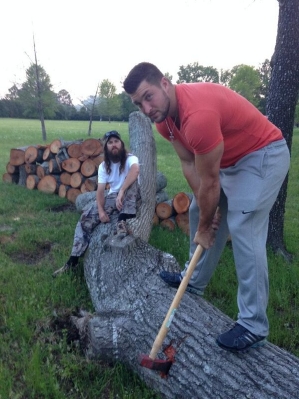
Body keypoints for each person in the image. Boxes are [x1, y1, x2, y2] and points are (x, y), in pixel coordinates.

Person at [123, 62, 290, 353]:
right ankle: (194, 281)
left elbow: (211, 181)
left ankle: (253, 324)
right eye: (139, 103)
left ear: (164, 83)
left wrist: (205, 231)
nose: (147, 109)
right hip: (228, 159)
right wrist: (205, 216)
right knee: (199, 210)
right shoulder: (164, 121)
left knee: (243, 226)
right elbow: (190, 165)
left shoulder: (197, 115)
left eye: (148, 97)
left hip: (263, 155)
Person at [53, 130, 140, 277]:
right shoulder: (103, 166)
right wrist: (100, 211)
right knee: (84, 219)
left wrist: (122, 190)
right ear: (106, 147)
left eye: (116, 141)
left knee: (132, 185)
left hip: (132, 194)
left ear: (121, 143)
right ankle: (72, 262)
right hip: (113, 196)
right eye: (110, 143)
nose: (114, 145)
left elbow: (135, 170)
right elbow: (100, 191)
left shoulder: (131, 158)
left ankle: (122, 221)